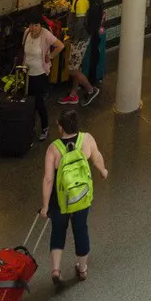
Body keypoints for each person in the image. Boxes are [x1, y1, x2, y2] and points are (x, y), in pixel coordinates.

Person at [39, 107, 107, 283]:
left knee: (58, 231)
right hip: (81, 197)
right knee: (81, 230)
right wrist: (102, 170)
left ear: (60, 127)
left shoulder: (53, 149)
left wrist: (46, 206)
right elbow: (97, 157)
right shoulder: (87, 139)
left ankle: (56, 270)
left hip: (59, 200)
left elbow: (48, 179)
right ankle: (82, 269)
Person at [21, 15, 64, 140]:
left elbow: (60, 45)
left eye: (36, 25)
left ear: (41, 26)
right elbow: (24, 51)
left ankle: (45, 127)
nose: (33, 28)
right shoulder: (27, 33)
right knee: (29, 100)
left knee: (39, 102)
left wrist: (49, 56)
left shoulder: (46, 35)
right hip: (27, 72)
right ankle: (31, 125)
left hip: (39, 73)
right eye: (31, 25)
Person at [63, 0, 102, 102]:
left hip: (80, 39)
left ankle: (91, 90)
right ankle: (73, 94)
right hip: (82, 37)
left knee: (72, 70)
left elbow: (79, 24)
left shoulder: (81, 1)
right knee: (77, 66)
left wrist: (71, 37)